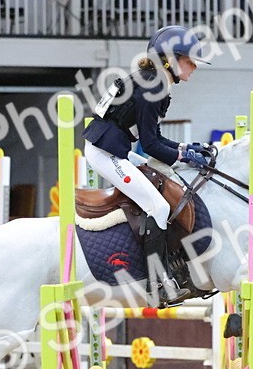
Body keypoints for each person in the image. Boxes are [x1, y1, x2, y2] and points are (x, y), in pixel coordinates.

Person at [83, 25, 215, 301]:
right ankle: (157, 282)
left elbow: (153, 138)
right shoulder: (151, 85)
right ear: (169, 58)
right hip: (105, 152)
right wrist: (183, 156)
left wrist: (184, 149)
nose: (194, 68)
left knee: (160, 182)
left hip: (115, 147)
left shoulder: (153, 81)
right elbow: (152, 145)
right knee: (158, 205)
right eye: (190, 61)